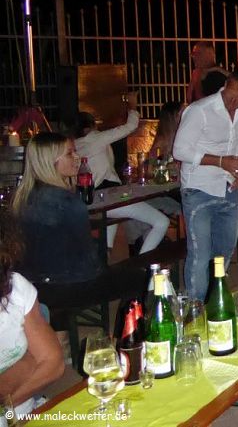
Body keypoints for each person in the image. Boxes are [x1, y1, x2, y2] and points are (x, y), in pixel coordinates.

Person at [11, 133, 143, 315]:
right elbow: (86, 260)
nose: (76, 157)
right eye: (69, 153)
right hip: (64, 287)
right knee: (138, 278)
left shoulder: (22, 197)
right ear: (50, 161)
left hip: (30, 283)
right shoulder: (68, 201)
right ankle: (129, 330)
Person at [173, 70, 238, 300]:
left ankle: (214, 299)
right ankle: (196, 307)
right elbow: (180, 150)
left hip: (228, 188)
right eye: (231, 96)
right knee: (200, 253)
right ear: (225, 85)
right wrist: (220, 161)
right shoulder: (200, 110)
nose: (234, 102)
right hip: (198, 188)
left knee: (225, 250)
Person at [74, 101, 172, 255]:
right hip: (109, 196)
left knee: (110, 223)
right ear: (91, 127)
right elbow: (130, 126)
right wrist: (132, 106)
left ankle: (105, 256)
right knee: (162, 221)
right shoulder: (96, 138)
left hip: (92, 198)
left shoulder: (75, 145)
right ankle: (142, 262)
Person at [0, 218, 64, 420]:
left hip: (25, 412)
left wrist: (6, 409)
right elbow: (41, 359)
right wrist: (28, 362)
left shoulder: (15, 286)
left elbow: (53, 363)